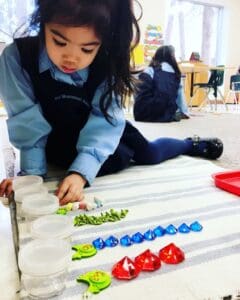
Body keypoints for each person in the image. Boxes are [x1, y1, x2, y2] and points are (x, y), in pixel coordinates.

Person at [0, 0, 223, 205]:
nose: (71, 58)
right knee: (58, 162)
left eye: (87, 49)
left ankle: (190, 144)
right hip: (56, 138)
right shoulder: (16, 58)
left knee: (150, 154)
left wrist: (80, 173)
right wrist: (31, 177)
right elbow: (25, 119)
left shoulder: (108, 63)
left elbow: (105, 122)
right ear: (42, 22)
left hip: (104, 131)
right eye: (59, 41)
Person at [133, 45, 190, 122]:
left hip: (144, 113)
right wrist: (184, 112)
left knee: (139, 83)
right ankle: (174, 113)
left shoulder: (150, 70)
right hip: (166, 114)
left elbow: (139, 89)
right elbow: (180, 96)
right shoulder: (176, 74)